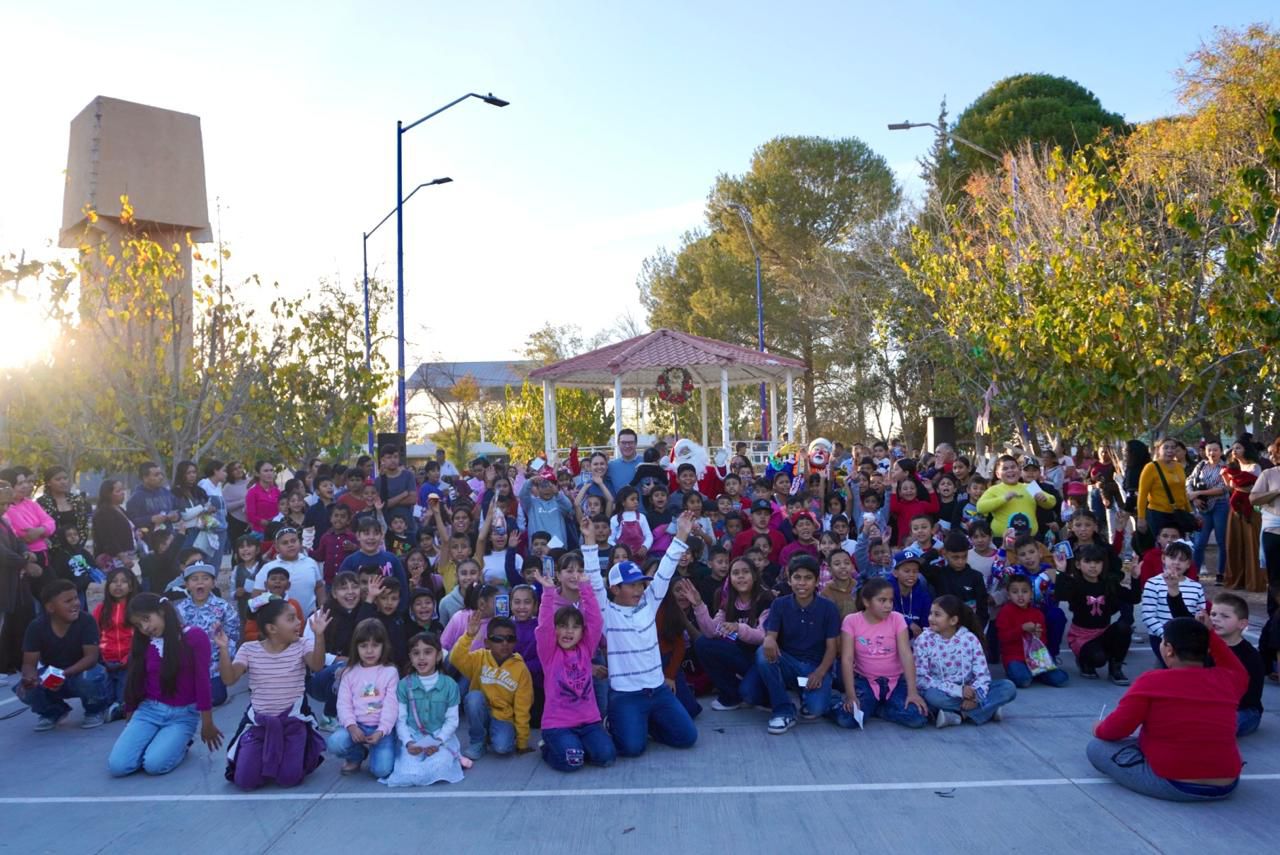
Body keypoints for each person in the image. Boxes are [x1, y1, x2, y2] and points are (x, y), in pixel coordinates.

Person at [1089, 615, 1245, 802]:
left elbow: (1116, 730)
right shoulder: (1227, 679)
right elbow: (1236, 668)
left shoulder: (1152, 681)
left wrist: (1099, 728)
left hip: (1175, 784)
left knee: (1097, 747)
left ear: (1169, 650)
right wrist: (1209, 634)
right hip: (1227, 783)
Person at [590, 512, 699, 756]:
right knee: (631, 749)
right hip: (626, 695)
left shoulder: (650, 603)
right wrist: (588, 542)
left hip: (658, 690)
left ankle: (645, 723)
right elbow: (596, 584)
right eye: (632, 585)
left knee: (687, 737)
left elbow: (665, 570)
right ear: (615, 588)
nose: (639, 589)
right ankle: (620, 722)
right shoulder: (607, 612)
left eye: (641, 584)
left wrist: (682, 533)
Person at [215, 599, 329, 790]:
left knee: (289, 779)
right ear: (272, 628)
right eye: (291, 619)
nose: (299, 622)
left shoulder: (302, 645)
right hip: (260, 724)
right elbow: (229, 679)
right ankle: (265, 753)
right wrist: (224, 649)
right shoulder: (249, 649)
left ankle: (295, 749)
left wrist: (319, 636)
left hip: (293, 722)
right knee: (245, 782)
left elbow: (317, 665)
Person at [107, 593, 223, 776]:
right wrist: (131, 714)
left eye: (146, 619)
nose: (145, 627)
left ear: (162, 610)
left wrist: (207, 722)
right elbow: (135, 680)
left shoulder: (194, 636)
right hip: (148, 711)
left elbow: (202, 681)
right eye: (139, 625)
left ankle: (182, 744)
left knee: (154, 765)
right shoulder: (143, 642)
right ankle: (158, 742)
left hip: (182, 715)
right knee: (118, 766)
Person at [528, 554, 613, 771]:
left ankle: (578, 745)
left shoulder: (586, 647)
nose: (568, 631)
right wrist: (547, 593)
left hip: (588, 722)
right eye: (563, 626)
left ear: (582, 632)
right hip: (558, 725)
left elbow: (596, 620)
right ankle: (549, 747)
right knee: (573, 761)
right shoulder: (549, 652)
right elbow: (545, 626)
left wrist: (586, 587)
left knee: (607, 756)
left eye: (575, 627)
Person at [831, 577, 928, 729]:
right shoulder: (852, 621)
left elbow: (906, 655)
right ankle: (838, 702)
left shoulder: (897, 619)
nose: (888, 606)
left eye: (890, 600)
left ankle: (878, 710)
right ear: (866, 602)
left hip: (895, 681)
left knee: (917, 717)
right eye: (882, 600)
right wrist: (850, 695)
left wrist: (912, 691)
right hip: (865, 681)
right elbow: (847, 659)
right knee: (847, 719)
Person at [14, 579, 111, 730]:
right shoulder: (36, 626)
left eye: (76, 598)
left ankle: (95, 710)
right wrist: (29, 677)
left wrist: (64, 674)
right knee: (23, 689)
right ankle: (54, 712)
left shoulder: (87, 621)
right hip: (54, 675)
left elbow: (91, 658)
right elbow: (28, 664)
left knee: (90, 676)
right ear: (50, 607)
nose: (76, 603)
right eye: (68, 601)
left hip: (80, 672)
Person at [913, 595, 1016, 727]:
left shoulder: (969, 639)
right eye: (930, 613)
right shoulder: (923, 640)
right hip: (943, 691)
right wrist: (958, 691)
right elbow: (922, 679)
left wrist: (975, 697)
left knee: (1008, 687)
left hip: (971, 691)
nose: (931, 618)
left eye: (937, 614)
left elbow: (982, 674)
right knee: (931, 696)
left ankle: (960, 715)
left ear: (953, 620)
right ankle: (987, 710)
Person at [380, 632, 466, 786]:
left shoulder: (450, 685)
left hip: (441, 738)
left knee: (440, 766)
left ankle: (447, 759)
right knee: (408, 773)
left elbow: (452, 721)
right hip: (414, 738)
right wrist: (408, 743)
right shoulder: (404, 685)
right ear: (410, 658)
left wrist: (438, 742)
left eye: (427, 652)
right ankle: (415, 765)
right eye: (416, 653)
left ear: (438, 656)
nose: (421, 658)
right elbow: (401, 720)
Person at [689, 557, 772, 711]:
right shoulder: (728, 602)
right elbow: (712, 631)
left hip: (763, 659)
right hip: (741, 655)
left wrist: (738, 628)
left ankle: (767, 694)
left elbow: (763, 637)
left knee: (750, 695)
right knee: (703, 644)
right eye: (735, 573)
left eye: (745, 572)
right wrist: (698, 605)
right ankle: (731, 696)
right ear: (730, 579)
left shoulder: (765, 599)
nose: (740, 576)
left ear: (754, 576)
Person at [1052, 544, 1141, 684]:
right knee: (1098, 659)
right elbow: (1060, 595)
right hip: (1082, 637)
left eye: (1097, 562)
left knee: (1124, 628)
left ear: (1103, 564)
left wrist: (1135, 578)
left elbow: (1134, 598)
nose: (1093, 566)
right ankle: (1084, 662)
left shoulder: (1109, 584)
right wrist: (1061, 571)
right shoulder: (1075, 584)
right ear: (1078, 564)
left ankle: (1115, 668)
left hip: (1103, 632)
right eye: (1087, 562)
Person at [450, 611, 533, 760]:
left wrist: (522, 743)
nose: (504, 643)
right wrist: (468, 636)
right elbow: (455, 658)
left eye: (510, 638)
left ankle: (494, 734)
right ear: (487, 642)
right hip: (480, 710)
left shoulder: (521, 669)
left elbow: (523, 708)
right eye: (498, 639)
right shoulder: (479, 657)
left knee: (502, 748)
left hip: (503, 717)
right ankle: (478, 741)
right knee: (473, 698)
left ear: (515, 641)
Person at [326, 617, 399, 777]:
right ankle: (357, 754)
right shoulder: (349, 673)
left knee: (382, 771)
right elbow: (344, 704)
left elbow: (391, 706)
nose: (369, 651)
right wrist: (351, 727)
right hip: (357, 726)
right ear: (356, 647)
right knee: (335, 743)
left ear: (383, 646)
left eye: (375, 645)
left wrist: (382, 730)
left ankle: (383, 749)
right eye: (364, 646)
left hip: (381, 730)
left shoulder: (390, 672)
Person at [174, 562, 240, 706]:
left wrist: (226, 662)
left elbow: (233, 635)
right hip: (189, 667)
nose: (200, 582)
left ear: (213, 583)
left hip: (215, 667)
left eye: (205, 578)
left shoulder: (223, 607)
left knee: (215, 698)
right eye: (194, 579)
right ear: (187, 584)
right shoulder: (179, 610)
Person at [1140, 540, 1205, 667]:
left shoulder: (1196, 587)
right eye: (1172, 557)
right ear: (1164, 558)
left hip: (1187, 638)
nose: (1176, 562)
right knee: (1170, 666)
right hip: (1161, 637)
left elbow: (1199, 613)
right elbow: (1148, 615)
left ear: (1188, 564)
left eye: (1182, 559)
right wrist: (1166, 635)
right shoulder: (1153, 583)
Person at [1207, 593, 1264, 736]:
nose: (1216, 619)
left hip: (1244, 709)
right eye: (1213, 614)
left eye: (1225, 616)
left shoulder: (1250, 656)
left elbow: (1249, 696)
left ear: (1242, 624)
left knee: (1218, 725)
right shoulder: (1205, 647)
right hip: (1210, 705)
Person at [995, 575, 1067, 688]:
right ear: (1008, 595)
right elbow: (1003, 637)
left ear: (1031, 594)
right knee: (1023, 680)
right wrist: (1022, 628)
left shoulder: (1037, 614)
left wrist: (1038, 635)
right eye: (1015, 592)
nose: (1020, 595)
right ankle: (1033, 673)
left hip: (1036, 657)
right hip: (1015, 657)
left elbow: (1043, 639)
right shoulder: (1005, 612)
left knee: (1061, 680)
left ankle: (1038, 672)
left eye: (1024, 591)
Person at [975, 455, 1056, 539]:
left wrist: (1044, 499)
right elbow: (980, 507)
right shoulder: (993, 490)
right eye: (1005, 468)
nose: (1010, 470)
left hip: (1030, 539)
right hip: (1003, 540)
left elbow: (1052, 502)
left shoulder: (1029, 487)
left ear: (1019, 470)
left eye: (1013, 467)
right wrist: (1003, 499)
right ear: (998, 474)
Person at [94, 567, 138, 719]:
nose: (118, 585)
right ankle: (115, 706)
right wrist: (102, 660)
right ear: (108, 586)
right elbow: (94, 636)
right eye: (114, 582)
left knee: (124, 695)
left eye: (124, 582)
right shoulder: (101, 609)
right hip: (106, 662)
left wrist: (128, 658)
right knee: (105, 698)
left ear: (131, 586)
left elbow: (142, 637)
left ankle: (122, 706)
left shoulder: (137, 609)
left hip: (130, 661)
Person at [1222, 440, 1264, 592]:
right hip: (1235, 510)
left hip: (1251, 510)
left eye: (1238, 448)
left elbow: (1255, 490)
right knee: (1235, 543)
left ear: (1246, 450)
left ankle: (1254, 580)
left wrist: (1236, 485)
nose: (1234, 451)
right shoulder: (1233, 468)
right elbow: (1230, 488)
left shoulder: (1254, 467)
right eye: (1233, 448)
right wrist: (1226, 477)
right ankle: (1237, 579)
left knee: (1251, 545)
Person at [253, 527, 324, 616]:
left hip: (310, 623)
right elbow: (256, 596)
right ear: (277, 547)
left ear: (300, 543)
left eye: (293, 541)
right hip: (279, 625)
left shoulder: (311, 563)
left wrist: (322, 608)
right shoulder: (267, 568)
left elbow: (319, 587)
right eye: (285, 543)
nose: (290, 545)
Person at [1186, 441, 1229, 581]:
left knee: (1222, 541)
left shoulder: (1225, 467)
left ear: (1221, 452)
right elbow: (1189, 482)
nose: (1212, 453)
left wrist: (1198, 493)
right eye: (1209, 450)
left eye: (1215, 450)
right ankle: (1194, 574)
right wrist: (1194, 498)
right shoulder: (1200, 465)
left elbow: (1223, 488)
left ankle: (1221, 573)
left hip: (1220, 505)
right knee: (1199, 542)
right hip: (1203, 507)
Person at [1134, 438, 1191, 538]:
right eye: (1166, 447)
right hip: (1158, 514)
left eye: (1173, 448)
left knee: (1177, 547)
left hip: (1178, 514)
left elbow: (1182, 492)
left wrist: (1190, 512)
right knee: (1160, 547)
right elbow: (1142, 495)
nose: (1170, 451)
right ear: (1158, 450)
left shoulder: (1179, 467)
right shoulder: (1150, 467)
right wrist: (1141, 518)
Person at [1252, 438, 1280, 616]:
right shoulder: (1269, 474)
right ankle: (1275, 621)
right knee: (1276, 579)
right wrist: (1276, 492)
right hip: (1274, 533)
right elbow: (1253, 499)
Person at [36, 466, 92, 543]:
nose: (63, 482)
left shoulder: (77, 500)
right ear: (48, 483)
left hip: (77, 547)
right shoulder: (42, 502)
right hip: (52, 549)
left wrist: (77, 545)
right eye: (58, 479)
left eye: (65, 478)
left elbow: (84, 527)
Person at [123, 462, 179, 535]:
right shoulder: (136, 498)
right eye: (156, 475)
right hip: (150, 540)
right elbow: (131, 522)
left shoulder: (166, 492)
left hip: (170, 538)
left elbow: (179, 509)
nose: (161, 477)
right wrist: (151, 519)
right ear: (145, 478)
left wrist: (176, 516)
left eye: (161, 474)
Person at [92, 479, 137, 567]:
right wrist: (122, 556)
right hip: (115, 559)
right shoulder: (103, 513)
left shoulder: (120, 509)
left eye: (122, 490)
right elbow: (108, 537)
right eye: (118, 491)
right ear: (108, 494)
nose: (122, 493)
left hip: (129, 554)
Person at [244, 461, 281, 537]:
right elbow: (250, 516)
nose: (269, 473)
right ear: (257, 474)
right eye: (266, 471)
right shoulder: (252, 492)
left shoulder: (277, 491)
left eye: (271, 470)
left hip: (277, 531)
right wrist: (267, 523)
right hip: (260, 533)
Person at [606, 428, 643, 495]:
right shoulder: (611, 466)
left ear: (636, 443)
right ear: (618, 444)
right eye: (623, 443)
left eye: (630, 442)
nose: (627, 446)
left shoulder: (646, 463)